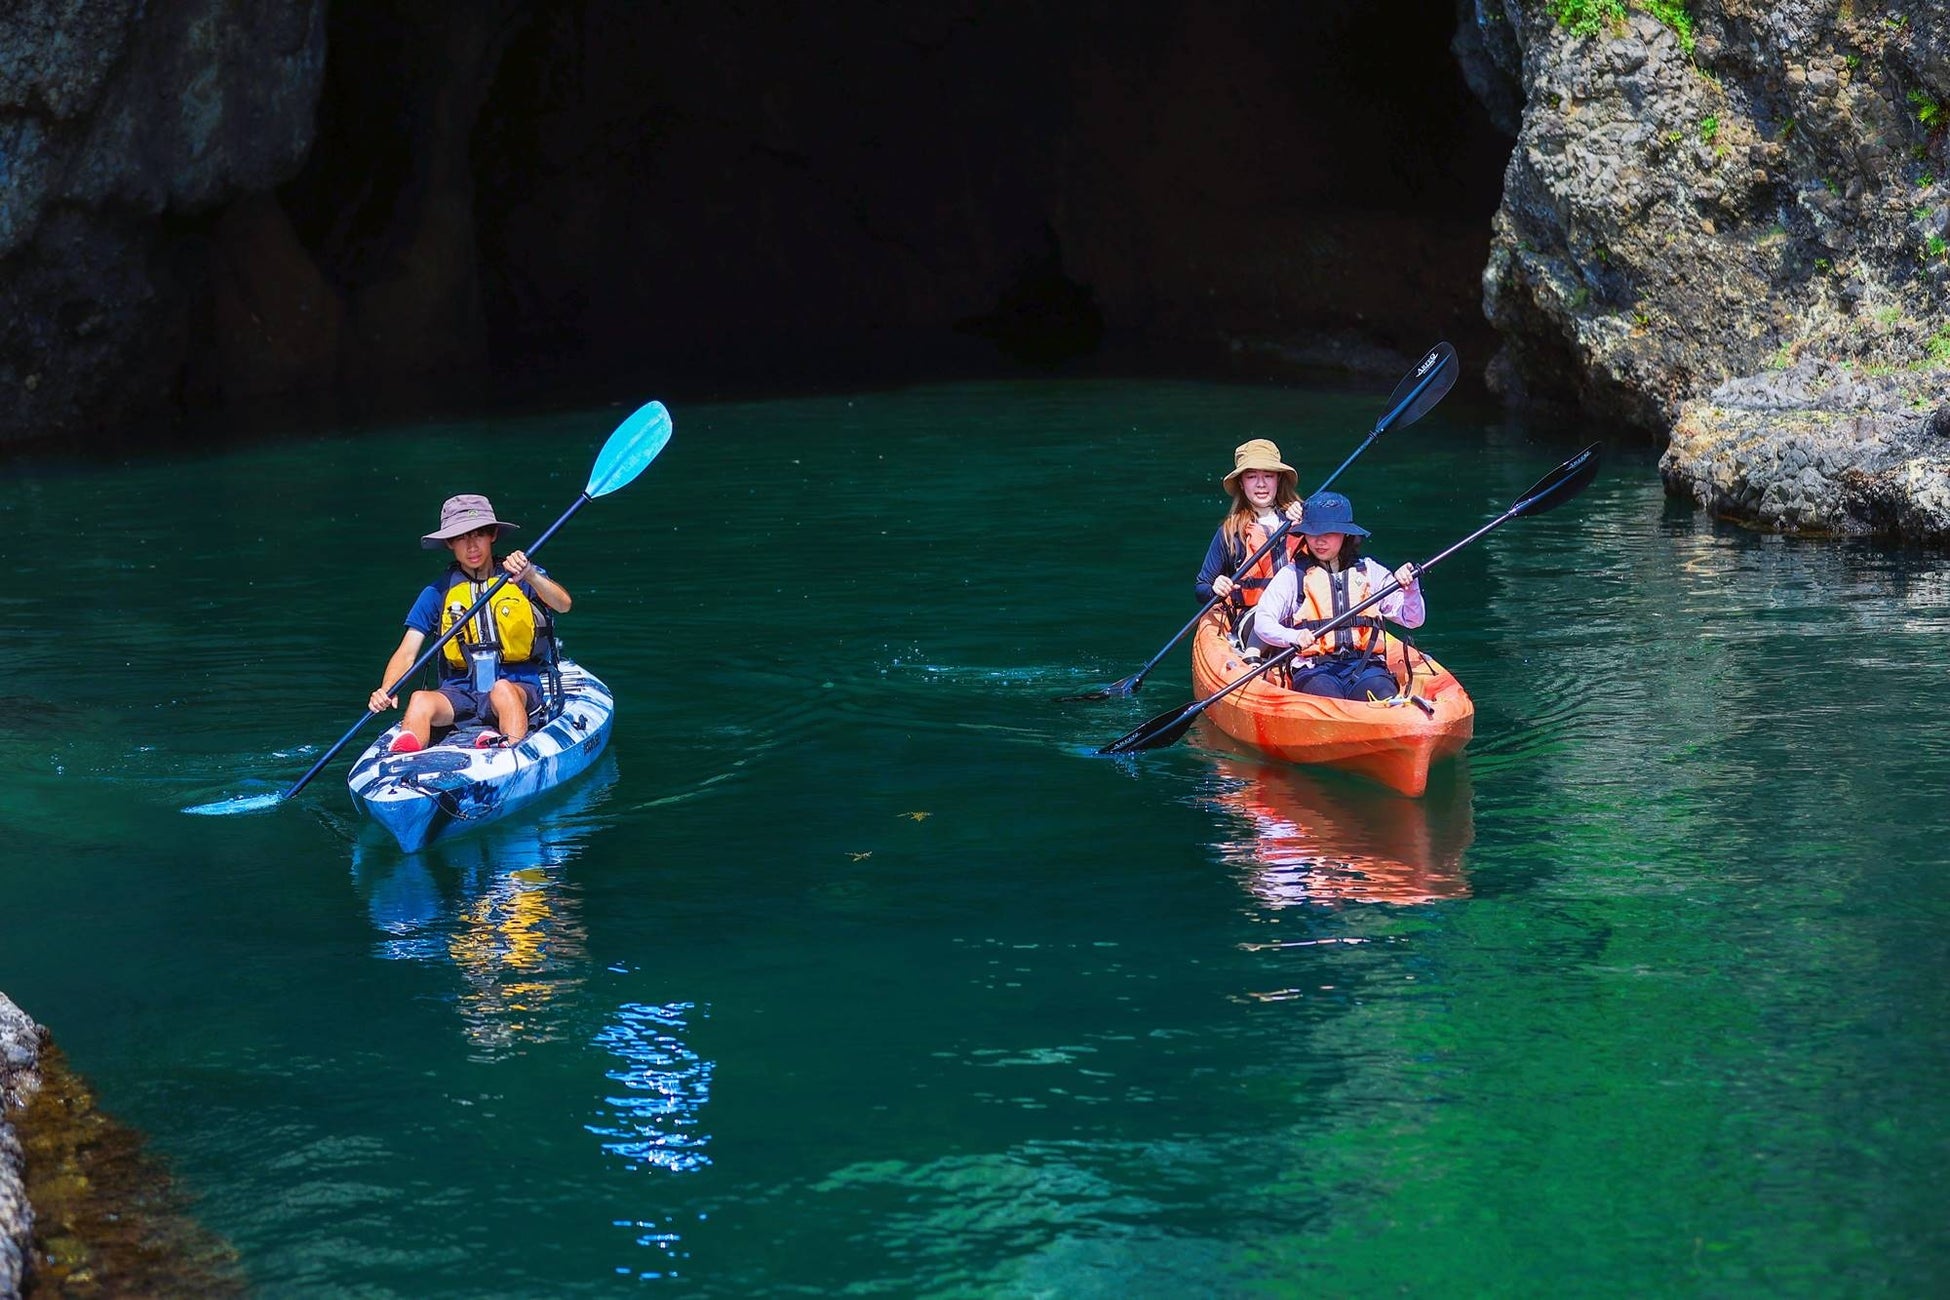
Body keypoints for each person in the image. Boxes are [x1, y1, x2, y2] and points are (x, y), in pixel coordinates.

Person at [367, 493, 573, 752]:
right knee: (420, 700)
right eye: (461, 538)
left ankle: (508, 750)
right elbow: (408, 651)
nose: (471, 546)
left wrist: (530, 574)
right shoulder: (438, 592)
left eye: (478, 534)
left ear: (492, 535)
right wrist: (387, 688)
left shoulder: (519, 577)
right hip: (460, 692)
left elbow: (563, 605)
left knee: (502, 691)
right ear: (450, 544)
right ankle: (405, 760)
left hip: (516, 685)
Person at [1250, 491, 1422, 701]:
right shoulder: (1292, 575)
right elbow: (1263, 621)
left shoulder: (1369, 571)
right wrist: (1293, 637)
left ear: (1346, 535)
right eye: (1312, 533)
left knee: (1384, 696)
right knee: (1329, 700)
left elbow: (1413, 619)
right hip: (1314, 669)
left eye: (1328, 533)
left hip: (1366, 666)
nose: (1319, 541)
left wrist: (1410, 588)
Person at [1194, 438, 1308, 610]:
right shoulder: (1230, 532)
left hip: (1300, 618)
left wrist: (1309, 517)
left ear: (1278, 479)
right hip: (1254, 621)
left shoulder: (1302, 517)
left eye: (1268, 476)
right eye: (1252, 476)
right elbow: (1201, 588)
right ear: (1241, 483)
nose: (1261, 484)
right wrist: (1215, 588)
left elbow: (1346, 547)